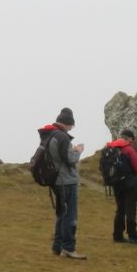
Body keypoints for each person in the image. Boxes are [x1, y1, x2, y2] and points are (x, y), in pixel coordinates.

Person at [39, 108, 85, 259]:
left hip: (56, 180)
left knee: (61, 213)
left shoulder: (49, 134)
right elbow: (70, 159)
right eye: (71, 125)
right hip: (66, 181)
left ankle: (57, 246)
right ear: (67, 123)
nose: (71, 128)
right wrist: (78, 151)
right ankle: (69, 248)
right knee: (69, 215)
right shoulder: (62, 137)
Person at [107, 129, 137, 245]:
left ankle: (117, 236)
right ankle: (133, 236)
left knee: (120, 210)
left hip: (116, 184)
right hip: (130, 185)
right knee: (130, 210)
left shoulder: (111, 148)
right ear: (130, 139)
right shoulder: (129, 149)